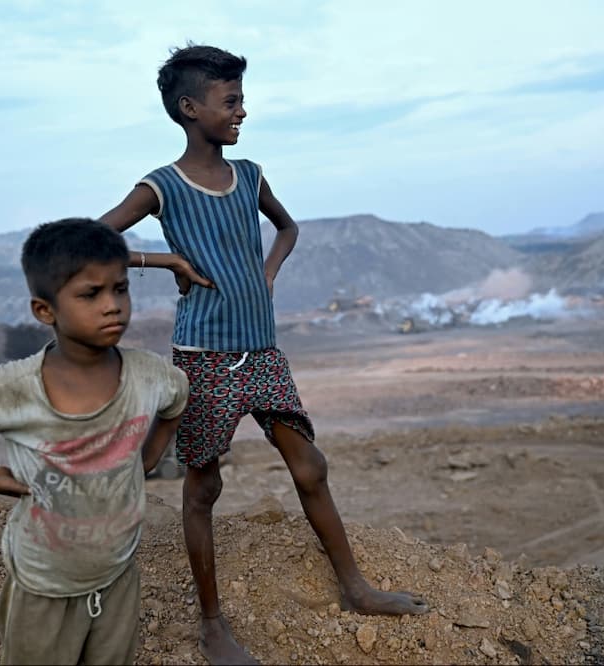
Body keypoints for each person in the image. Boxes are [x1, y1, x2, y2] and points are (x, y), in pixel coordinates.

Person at [100, 44, 428, 664]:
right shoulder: (161, 187)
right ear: (189, 108)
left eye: (243, 99)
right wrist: (162, 259)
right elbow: (92, 236)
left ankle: (356, 588)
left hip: (264, 351)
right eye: (231, 101)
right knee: (202, 487)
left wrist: (267, 273)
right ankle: (212, 624)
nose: (242, 111)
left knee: (310, 466)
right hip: (204, 356)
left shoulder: (249, 174)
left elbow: (288, 227)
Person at [0, 218, 189, 665]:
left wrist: (145, 460)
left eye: (120, 289)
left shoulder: (148, 373)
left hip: (118, 574)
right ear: (45, 311)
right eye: (91, 294)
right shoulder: (17, 386)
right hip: (44, 583)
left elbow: (176, 399)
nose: (112, 306)